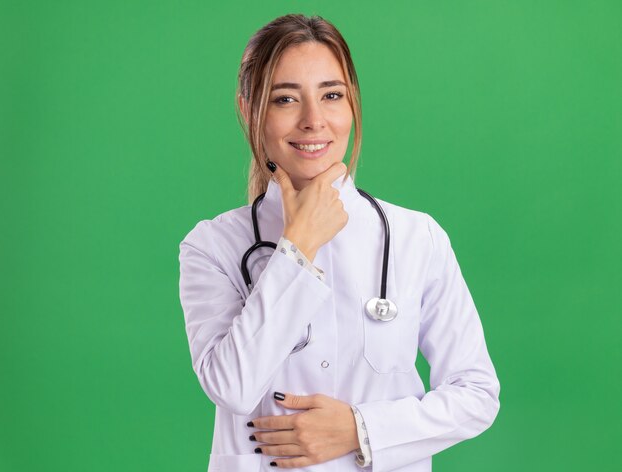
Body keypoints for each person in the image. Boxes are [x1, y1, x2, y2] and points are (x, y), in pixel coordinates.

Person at [178, 13, 500, 472]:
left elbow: (476, 394)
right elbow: (232, 386)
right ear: (250, 112)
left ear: (352, 106)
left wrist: (360, 429)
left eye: (331, 95)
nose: (314, 121)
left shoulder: (416, 237)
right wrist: (298, 245)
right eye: (285, 99)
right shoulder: (213, 247)